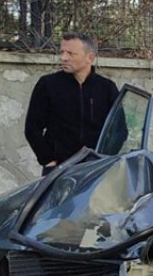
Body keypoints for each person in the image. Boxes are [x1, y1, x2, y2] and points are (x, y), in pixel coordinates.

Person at [24, 31, 119, 175]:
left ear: (90, 58)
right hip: (59, 170)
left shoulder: (106, 88)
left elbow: (119, 129)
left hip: (96, 169)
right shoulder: (48, 85)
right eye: (62, 52)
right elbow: (32, 128)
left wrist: (105, 158)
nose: (63, 58)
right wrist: (49, 161)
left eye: (70, 53)